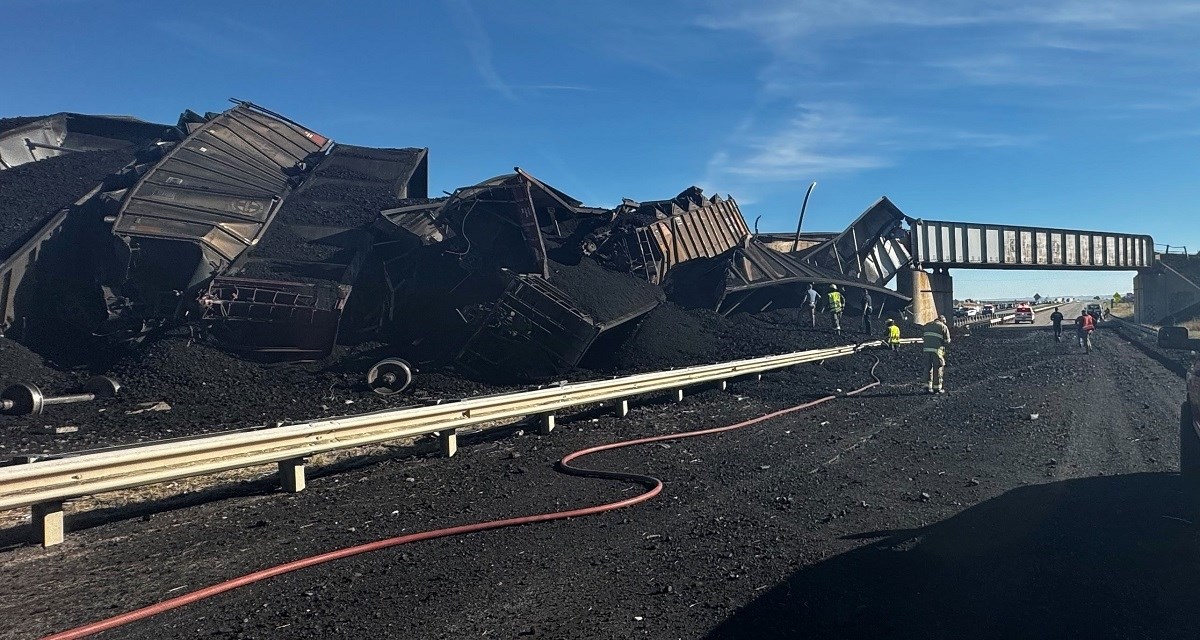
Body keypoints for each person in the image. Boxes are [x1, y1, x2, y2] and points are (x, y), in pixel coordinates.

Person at [922, 314, 951, 393]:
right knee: (938, 367)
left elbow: (924, 337)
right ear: (943, 321)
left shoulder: (927, 325)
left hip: (926, 350)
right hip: (937, 351)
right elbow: (947, 341)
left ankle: (926, 386)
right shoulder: (943, 327)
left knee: (927, 367)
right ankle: (937, 387)